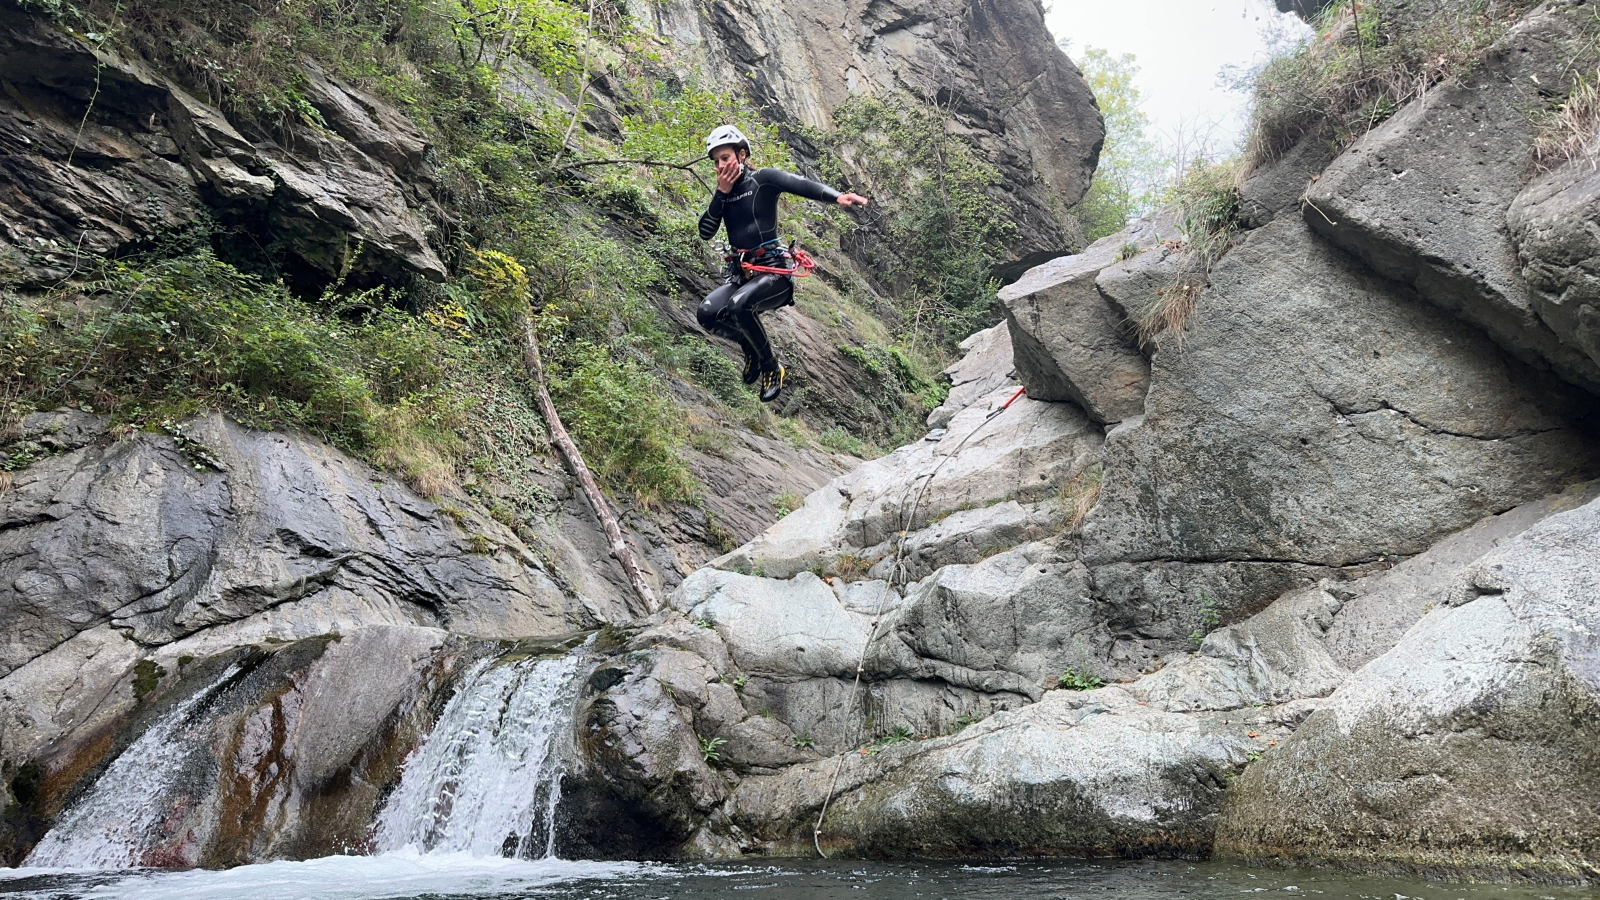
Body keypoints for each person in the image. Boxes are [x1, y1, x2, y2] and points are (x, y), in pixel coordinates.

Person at [696, 125, 869, 403]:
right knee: (706, 314)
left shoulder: (762, 179)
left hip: (774, 272)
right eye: (716, 162)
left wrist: (837, 196)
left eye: (725, 158)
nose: (720, 166)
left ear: (741, 155)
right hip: (743, 274)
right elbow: (705, 231)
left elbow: (797, 183)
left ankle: (771, 367)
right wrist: (720, 193)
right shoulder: (723, 195)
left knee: (739, 304)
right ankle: (750, 348)